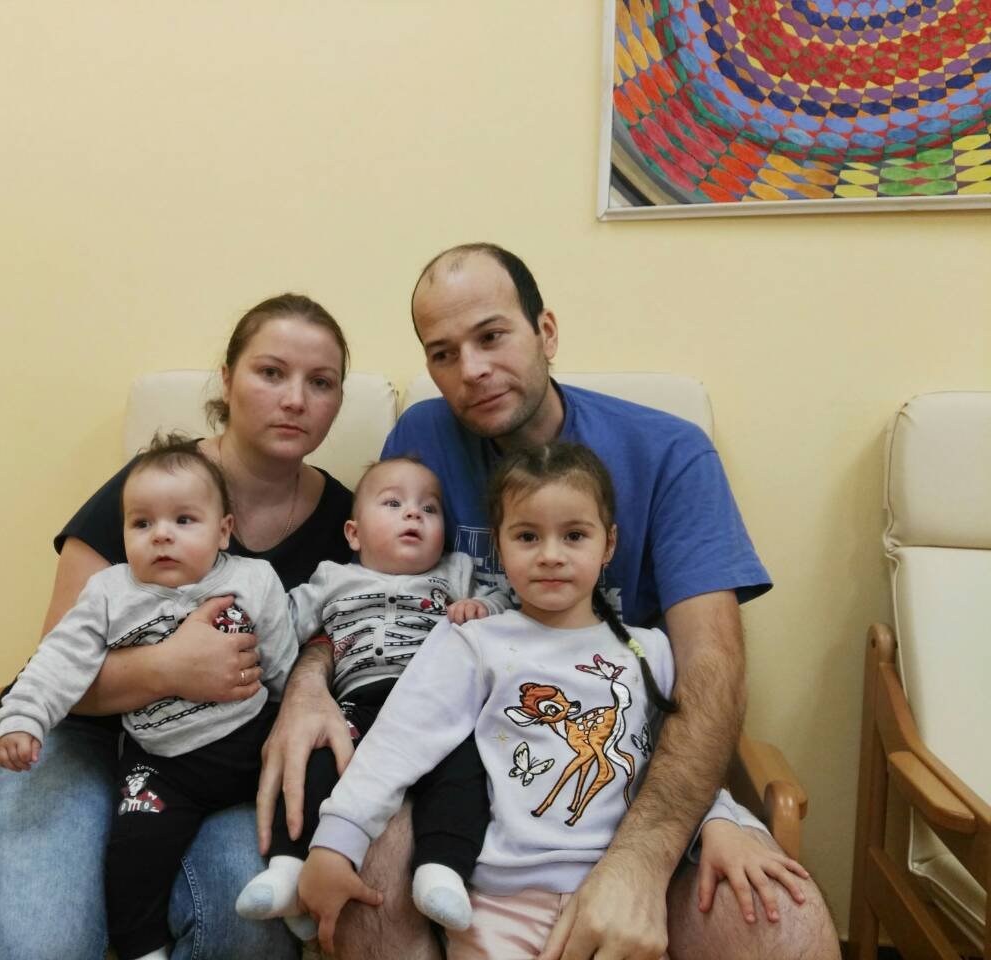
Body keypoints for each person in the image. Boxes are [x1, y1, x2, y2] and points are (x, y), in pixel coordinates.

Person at [258, 244, 838, 959]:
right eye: (443, 353)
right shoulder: (423, 440)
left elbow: (707, 675)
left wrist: (650, 856)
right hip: (465, 778)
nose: (471, 369)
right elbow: (365, 602)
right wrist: (308, 686)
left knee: (787, 924)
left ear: (546, 332)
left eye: (492, 336)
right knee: (366, 890)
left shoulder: (669, 453)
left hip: (636, 794)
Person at [0, 293, 353, 960]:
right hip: (74, 736)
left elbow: (349, 638)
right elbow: (55, 662)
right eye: (270, 373)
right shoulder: (152, 490)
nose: (295, 400)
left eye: (321, 382)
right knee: (41, 944)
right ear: (227, 380)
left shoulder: (348, 520)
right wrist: (169, 668)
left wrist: (308, 683)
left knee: (247, 930)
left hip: (226, 753)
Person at [297, 442, 811, 960]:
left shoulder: (647, 649)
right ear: (498, 546)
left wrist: (721, 821)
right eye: (527, 536)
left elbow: (677, 753)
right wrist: (336, 841)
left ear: (608, 544)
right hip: (500, 904)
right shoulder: (473, 641)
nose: (550, 555)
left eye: (574, 535)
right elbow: (399, 739)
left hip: (616, 900)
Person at [0, 435, 299, 960]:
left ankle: (297, 880)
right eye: (141, 523)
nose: (161, 535)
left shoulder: (254, 580)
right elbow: (58, 658)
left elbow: (283, 663)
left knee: (310, 781)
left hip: (248, 743)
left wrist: (295, 713)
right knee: (132, 856)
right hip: (161, 764)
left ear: (223, 530)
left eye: (184, 520)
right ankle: (143, 948)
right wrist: (23, 719)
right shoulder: (110, 593)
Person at [235, 457, 509, 937]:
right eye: (393, 504)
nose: (414, 514)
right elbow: (282, 625)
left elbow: (507, 599)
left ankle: (441, 869)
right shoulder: (331, 578)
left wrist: (482, 606)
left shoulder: (455, 572)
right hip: (356, 704)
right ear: (354, 533)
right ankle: (288, 867)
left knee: (464, 768)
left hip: (436, 706)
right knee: (316, 758)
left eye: (429, 508)